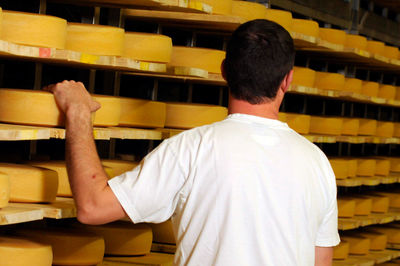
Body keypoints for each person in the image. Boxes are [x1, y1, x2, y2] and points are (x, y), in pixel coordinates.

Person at [45, 19, 339, 265]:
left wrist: (78, 112)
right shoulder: (317, 164)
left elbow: (92, 207)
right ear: (287, 80)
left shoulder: (191, 150)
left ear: (224, 71)